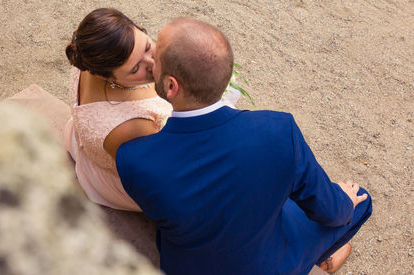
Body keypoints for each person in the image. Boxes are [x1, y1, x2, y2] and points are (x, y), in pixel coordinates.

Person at [116, 18, 372, 274]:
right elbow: (330, 212)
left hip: (188, 266)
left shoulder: (132, 159)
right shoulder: (279, 130)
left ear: (171, 86)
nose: (150, 62)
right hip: (268, 265)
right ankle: (318, 261)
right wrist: (344, 201)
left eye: (155, 56)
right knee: (359, 201)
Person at [63, 8, 172, 211]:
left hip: (95, 148)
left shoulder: (93, 52)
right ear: (105, 77)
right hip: (126, 177)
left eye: (148, 47)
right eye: (135, 69)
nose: (153, 64)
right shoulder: (133, 126)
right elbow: (160, 174)